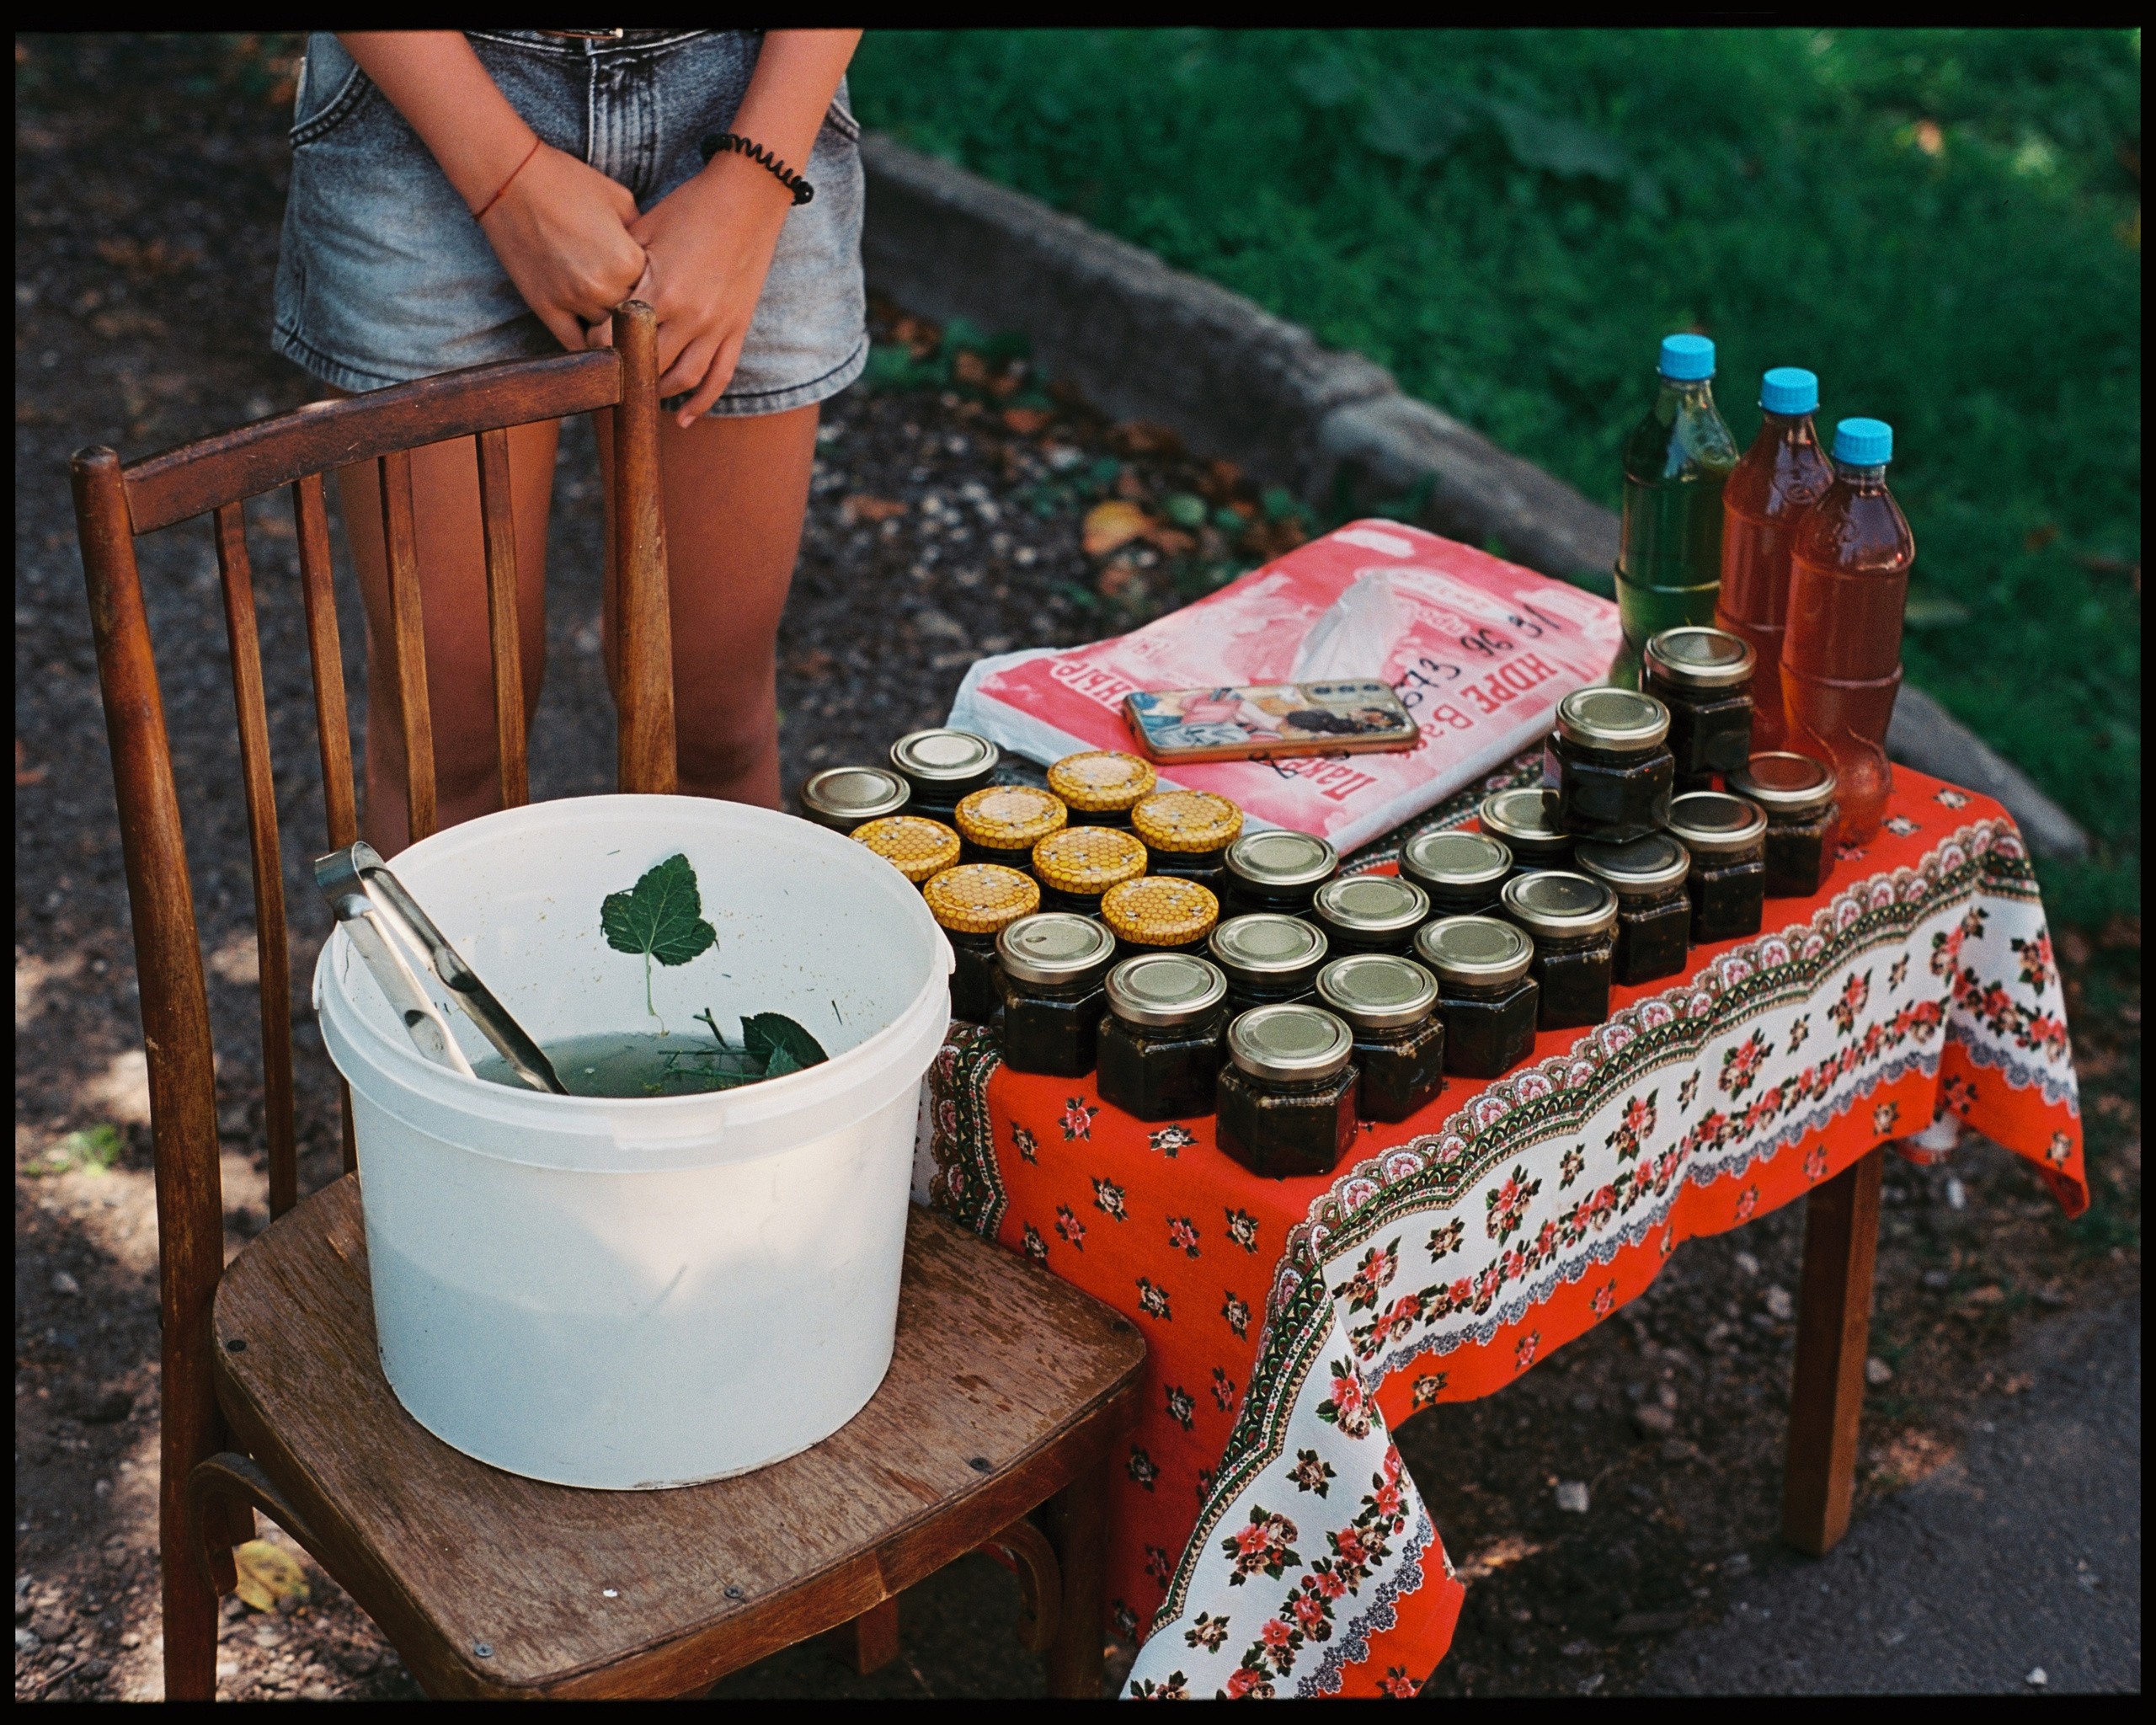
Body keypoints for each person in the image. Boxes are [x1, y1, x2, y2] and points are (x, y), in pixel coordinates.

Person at [273, 29, 865, 853]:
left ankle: (702, 987)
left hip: (751, 86)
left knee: (713, 731)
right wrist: (505, 183)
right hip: (429, 91)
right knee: (448, 747)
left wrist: (754, 181)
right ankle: (443, 990)